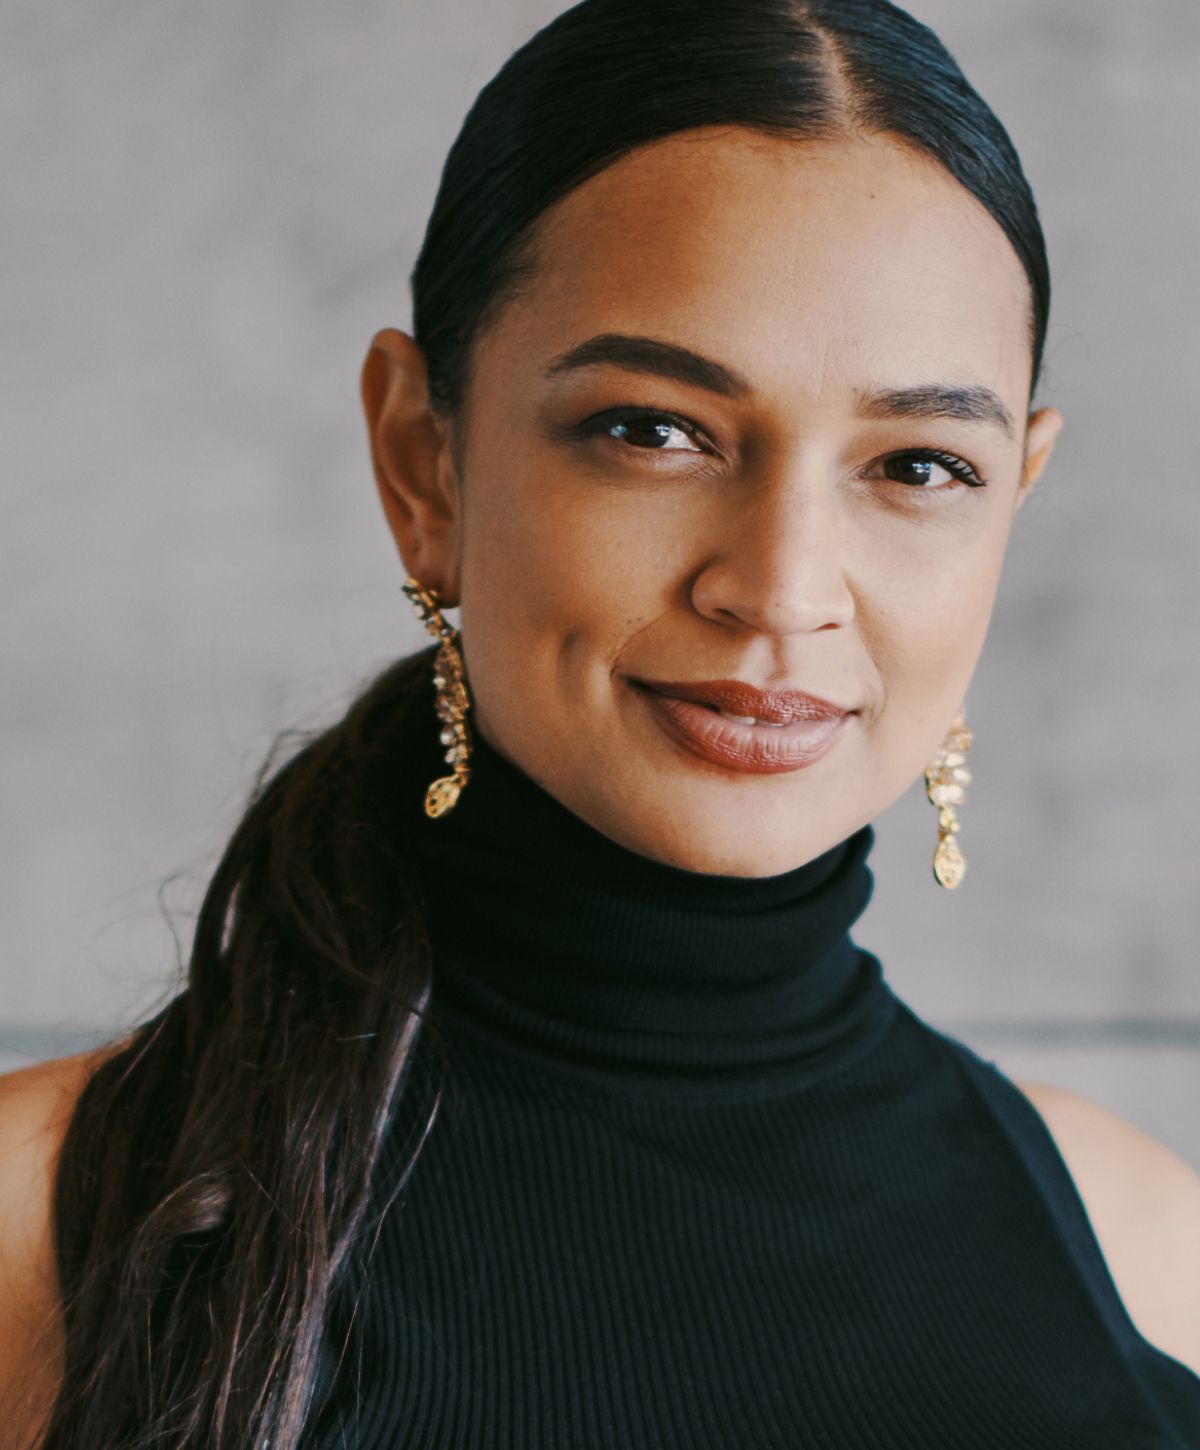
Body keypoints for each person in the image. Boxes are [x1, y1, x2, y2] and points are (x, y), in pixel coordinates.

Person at [2, 0, 1198, 1445]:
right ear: (422, 465)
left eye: (921, 463)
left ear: (1019, 491)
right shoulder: (40, 1225)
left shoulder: (1148, 1254)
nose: (780, 588)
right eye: (654, 430)